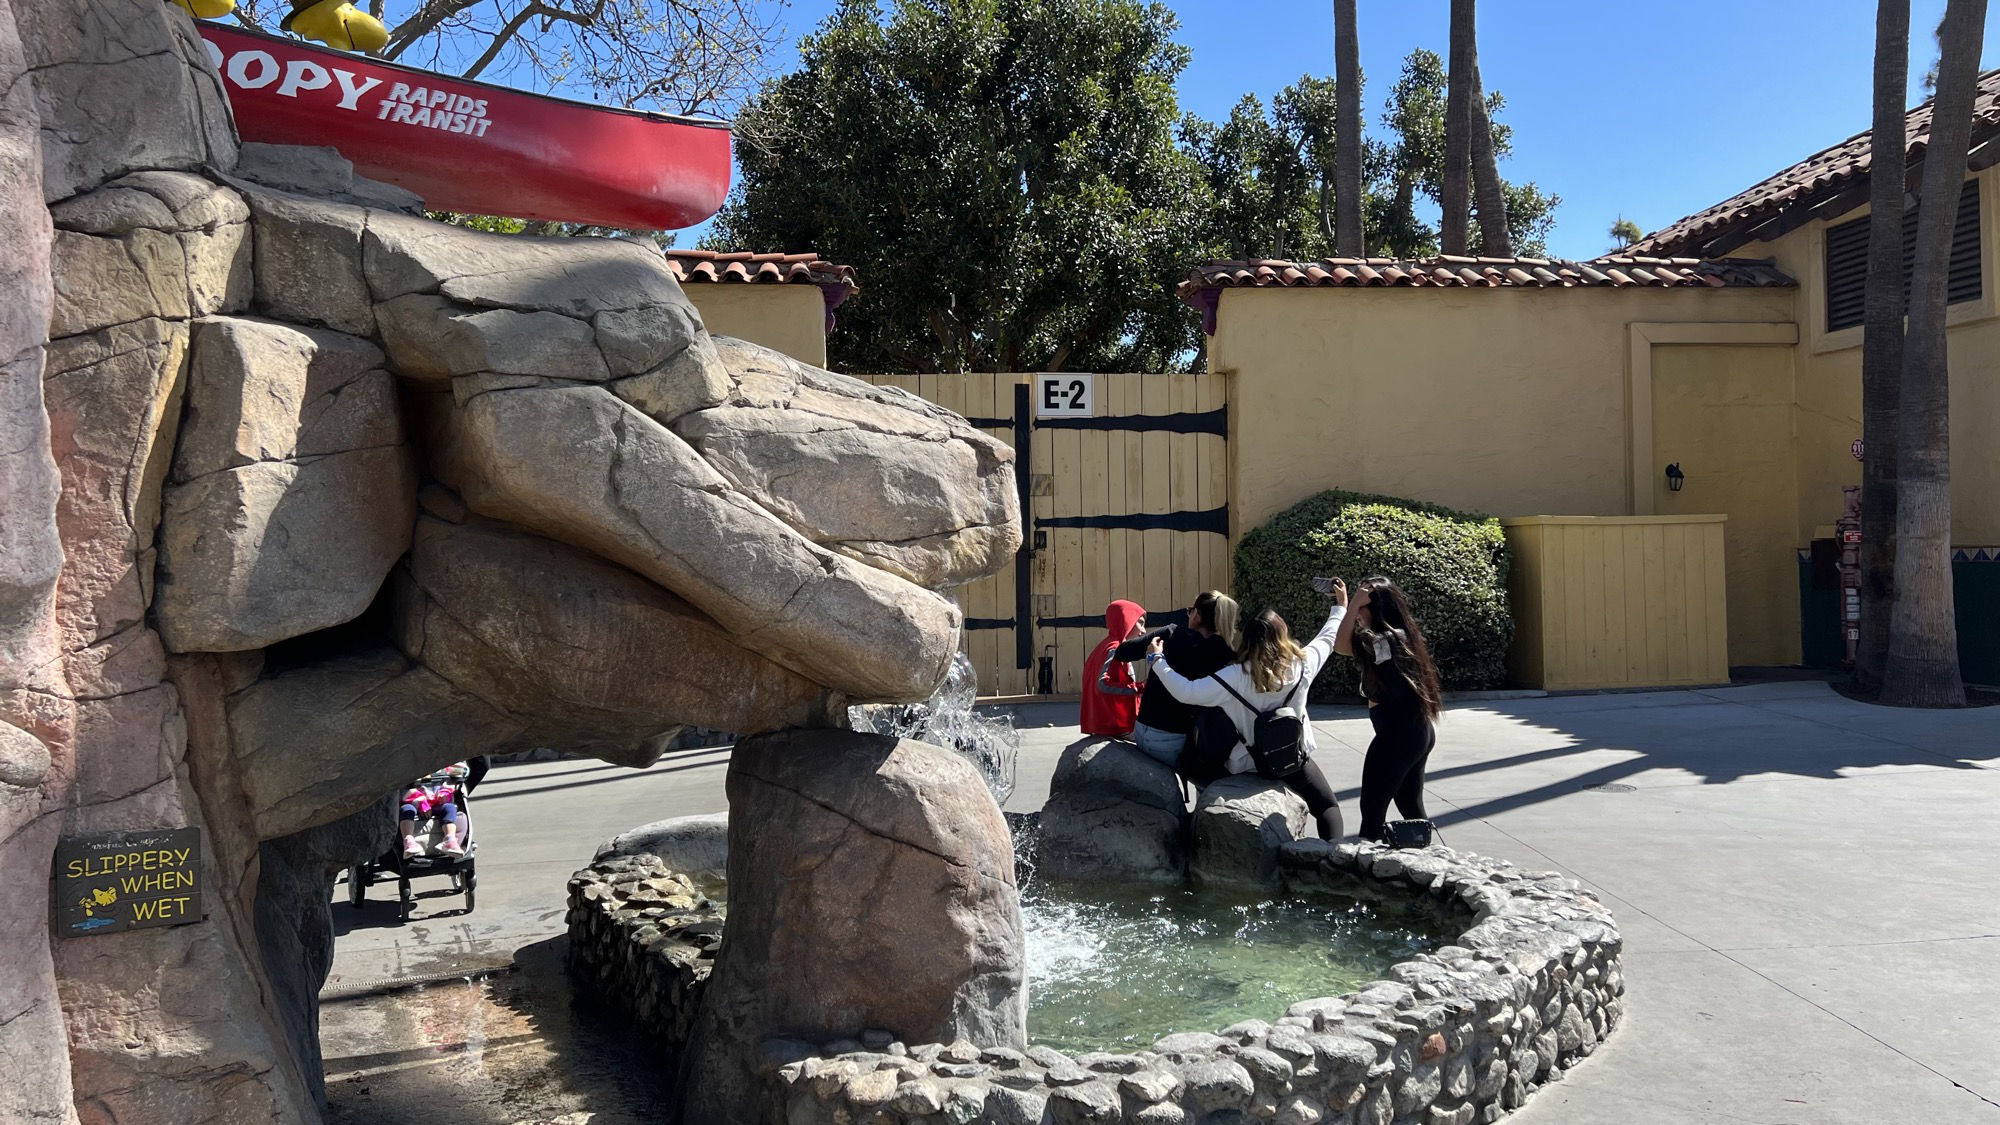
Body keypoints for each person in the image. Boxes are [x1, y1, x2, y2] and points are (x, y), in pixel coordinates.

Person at [1145, 583, 1348, 840]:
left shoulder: (1234, 676)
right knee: (1328, 806)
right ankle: (1332, 858)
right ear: (1282, 636)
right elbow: (1328, 637)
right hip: (1292, 759)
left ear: (1248, 639)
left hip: (1250, 764)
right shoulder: (1302, 664)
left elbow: (1186, 691)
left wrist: (1157, 661)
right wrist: (1340, 605)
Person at [1334, 577, 1443, 842]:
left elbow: (1341, 646)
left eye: (1361, 609)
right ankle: (1428, 857)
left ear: (1373, 607)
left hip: (1398, 736)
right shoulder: (1402, 636)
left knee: (1372, 810)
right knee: (1409, 802)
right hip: (1416, 733)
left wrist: (1350, 606)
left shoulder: (1383, 640)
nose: (1357, 617)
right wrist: (1349, 605)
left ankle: (1364, 870)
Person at [1111, 591, 1242, 769]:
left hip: (1143, 729)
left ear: (1197, 615)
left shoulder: (1170, 634)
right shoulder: (1226, 654)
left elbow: (1123, 652)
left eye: (1190, 610)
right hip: (1181, 737)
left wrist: (1149, 647)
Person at [1081, 600, 1146, 738]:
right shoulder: (1114, 649)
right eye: (1140, 622)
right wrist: (1139, 688)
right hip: (1115, 725)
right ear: (1126, 619)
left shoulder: (1103, 646)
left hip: (1106, 724)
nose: (1144, 630)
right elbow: (1102, 684)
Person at [401, 762, 471, 858]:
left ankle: (449, 840)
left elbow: (463, 771)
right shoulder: (410, 769)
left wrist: (446, 792)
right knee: (406, 809)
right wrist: (420, 802)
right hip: (415, 803)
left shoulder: (445, 768)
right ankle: (409, 841)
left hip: (438, 803)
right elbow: (403, 791)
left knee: (450, 808)